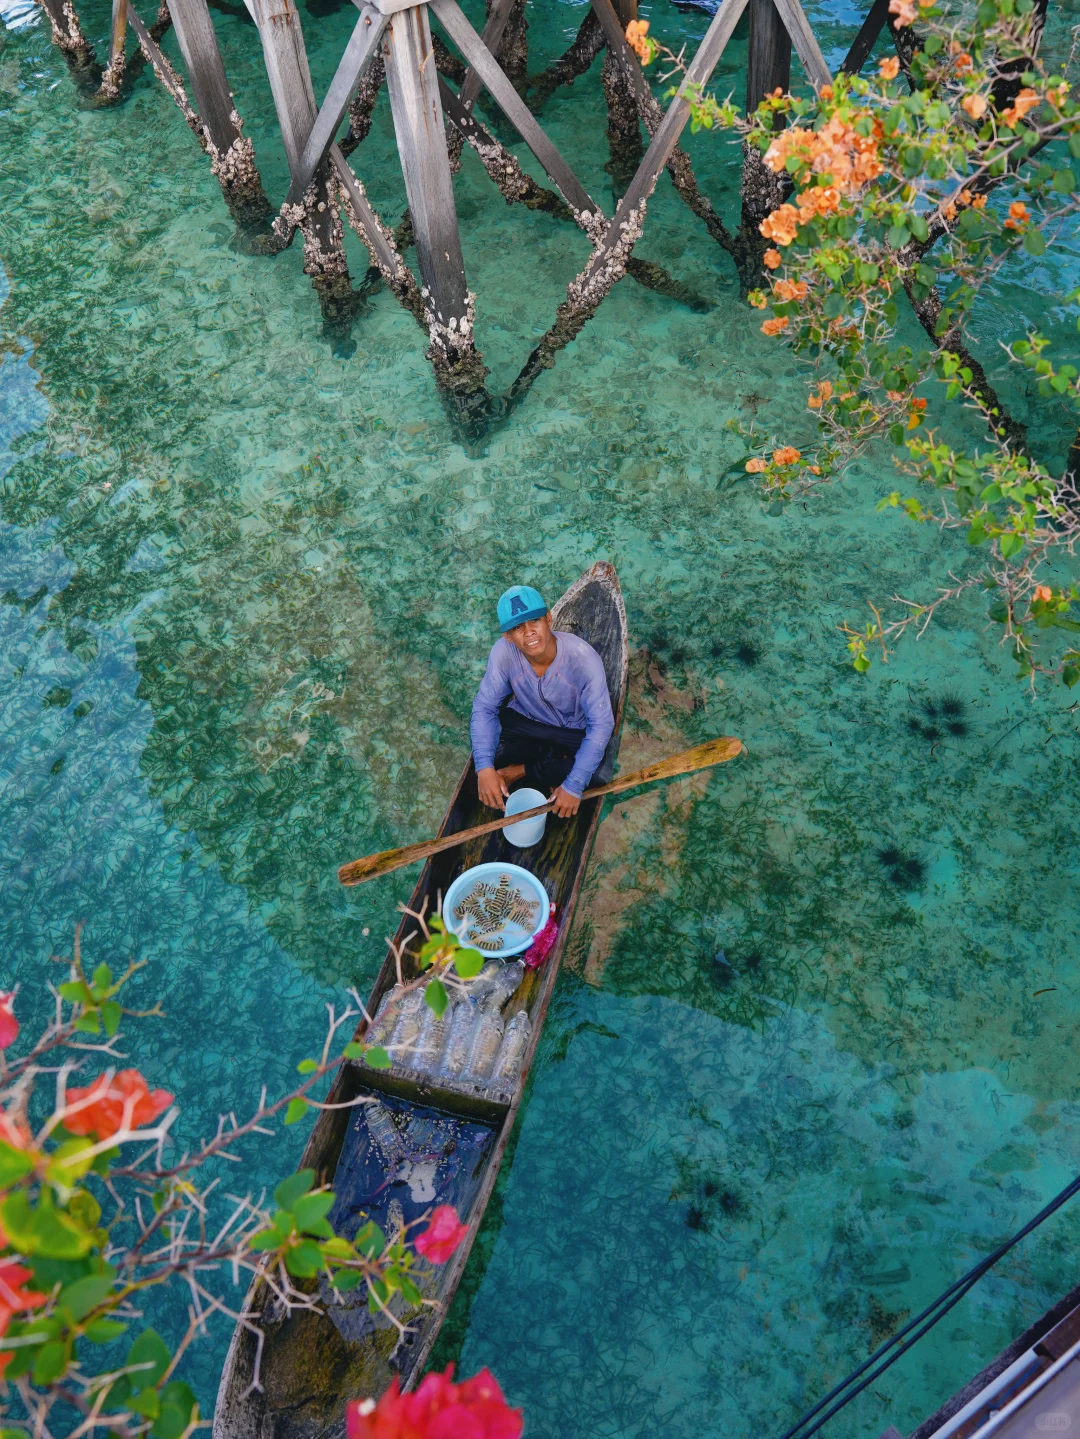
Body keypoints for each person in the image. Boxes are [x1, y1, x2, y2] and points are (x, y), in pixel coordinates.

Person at [471, 584, 614, 819]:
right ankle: (549, 762)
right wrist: (484, 768)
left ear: (548, 619)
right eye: (517, 627)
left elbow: (601, 725)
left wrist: (573, 785)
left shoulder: (583, 660)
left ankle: (523, 770)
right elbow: (484, 707)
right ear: (508, 636)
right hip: (531, 722)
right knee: (487, 750)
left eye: (534, 621)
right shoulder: (503, 653)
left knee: (600, 774)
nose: (529, 632)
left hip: (574, 731)